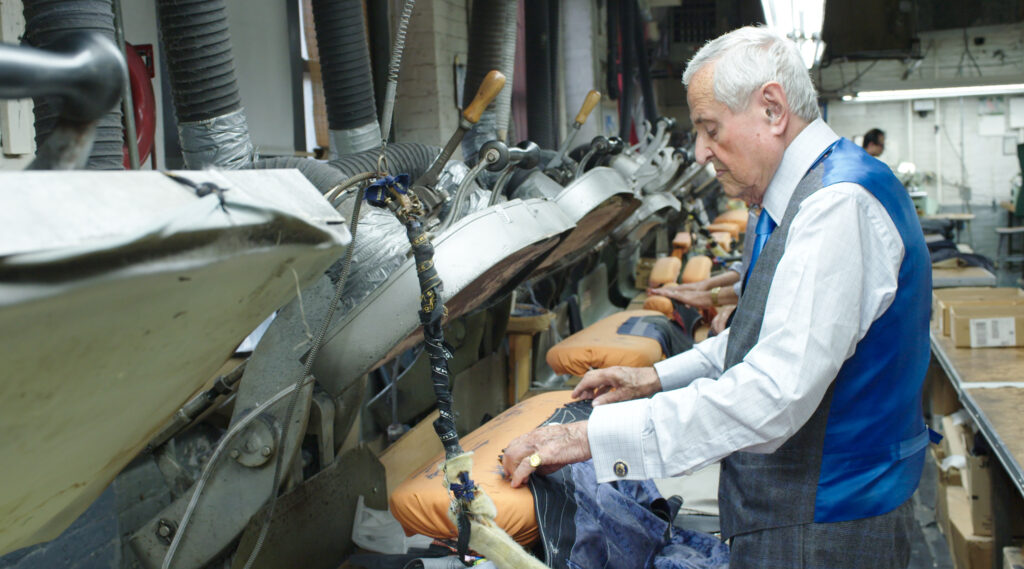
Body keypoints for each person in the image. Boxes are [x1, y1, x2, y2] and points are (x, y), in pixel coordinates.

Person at [501, 25, 930, 568]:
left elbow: (773, 393)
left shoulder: (835, 207)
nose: (701, 150)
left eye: (709, 128)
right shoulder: (789, 202)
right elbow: (760, 337)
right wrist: (655, 376)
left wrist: (589, 439)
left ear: (772, 109)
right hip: (798, 508)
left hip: (825, 525)